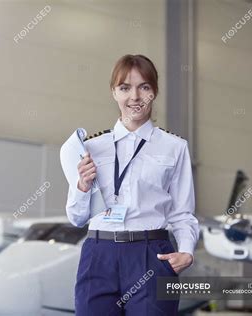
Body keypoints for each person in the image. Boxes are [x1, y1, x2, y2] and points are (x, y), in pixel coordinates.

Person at [65, 54, 199, 315]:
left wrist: (186, 251)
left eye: (144, 87)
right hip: (98, 254)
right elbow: (76, 218)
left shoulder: (175, 147)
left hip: (152, 255)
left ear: (154, 92)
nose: (135, 97)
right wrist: (81, 185)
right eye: (125, 88)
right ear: (114, 93)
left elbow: (183, 213)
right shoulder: (90, 148)